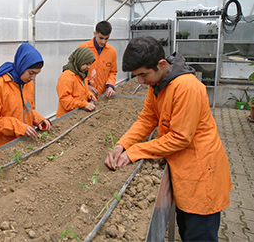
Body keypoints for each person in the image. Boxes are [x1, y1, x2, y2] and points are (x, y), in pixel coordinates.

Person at [105, 36, 231, 241]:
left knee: (199, 234)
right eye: (136, 76)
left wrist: (134, 152)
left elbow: (181, 138)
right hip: (184, 171)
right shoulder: (158, 84)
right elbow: (147, 119)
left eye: (143, 74)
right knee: (187, 230)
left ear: (161, 64)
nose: (140, 81)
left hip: (200, 174)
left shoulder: (186, 87)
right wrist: (122, 145)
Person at [0, 43, 51, 148]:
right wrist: (19, 127)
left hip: (24, 142)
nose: (33, 78)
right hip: (4, 147)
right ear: (22, 65)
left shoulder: (27, 84)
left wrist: (38, 119)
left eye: (36, 74)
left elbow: (28, 109)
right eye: (31, 73)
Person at [79, 21, 118, 99]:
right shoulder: (83, 48)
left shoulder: (112, 51)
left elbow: (112, 72)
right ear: (94, 34)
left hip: (103, 95)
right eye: (101, 38)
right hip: (85, 94)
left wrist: (110, 86)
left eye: (106, 38)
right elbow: (77, 71)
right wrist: (87, 86)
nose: (103, 42)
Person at [56, 48, 97, 118]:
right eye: (87, 64)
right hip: (66, 117)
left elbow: (84, 90)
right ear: (79, 61)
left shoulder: (82, 74)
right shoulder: (66, 77)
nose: (89, 67)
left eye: (90, 64)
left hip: (77, 114)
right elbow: (65, 101)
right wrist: (84, 104)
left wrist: (89, 95)